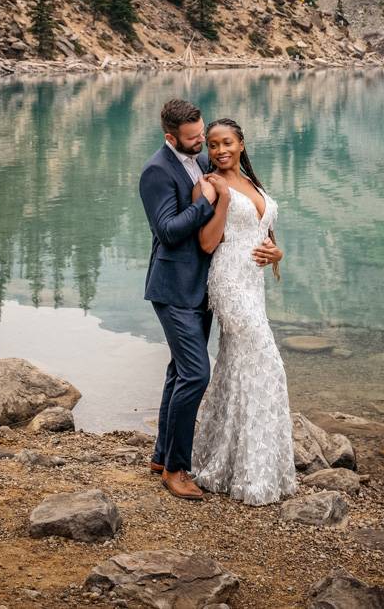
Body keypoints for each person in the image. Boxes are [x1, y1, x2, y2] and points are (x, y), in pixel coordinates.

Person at [188, 117, 293, 504]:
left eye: (227, 142)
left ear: (242, 144)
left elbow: (263, 234)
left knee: (237, 366)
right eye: (212, 145)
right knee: (267, 364)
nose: (219, 150)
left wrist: (277, 254)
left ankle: (227, 464)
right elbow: (206, 242)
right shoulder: (211, 185)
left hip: (253, 284)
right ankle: (253, 472)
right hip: (229, 283)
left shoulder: (252, 182)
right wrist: (225, 201)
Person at [139, 98, 218, 500]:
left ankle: (160, 454)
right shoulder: (156, 171)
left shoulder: (201, 161)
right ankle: (176, 469)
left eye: (201, 133)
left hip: (200, 287)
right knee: (196, 374)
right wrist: (204, 202)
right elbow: (168, 231)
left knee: (179, 372)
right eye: (192, 138)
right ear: (171, 137)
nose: (201, 142)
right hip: (171, 288)